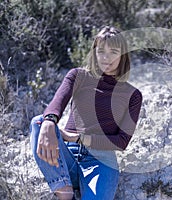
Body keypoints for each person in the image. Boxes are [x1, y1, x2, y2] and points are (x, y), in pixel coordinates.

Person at [29, 26, 143, 200]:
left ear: (123, 56)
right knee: (39, 122)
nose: (106, 58)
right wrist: (49, 122)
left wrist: (78, 137)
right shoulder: (78, 76)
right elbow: (56, 104)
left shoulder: (132, 95)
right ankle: (65, 193)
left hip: (101, 162)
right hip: (66, 158)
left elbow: (121, 142)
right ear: (94, 53)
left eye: (113, 52)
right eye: (101, 51)